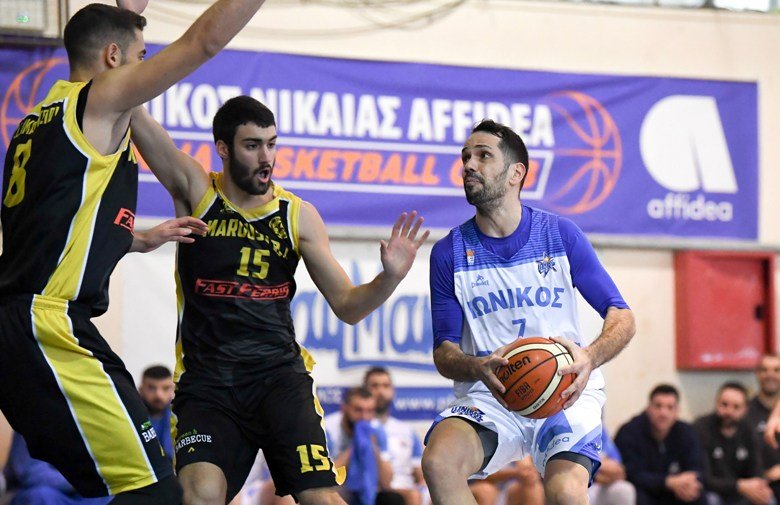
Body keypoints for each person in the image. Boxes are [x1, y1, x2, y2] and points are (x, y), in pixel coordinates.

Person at [0, 0, 272, 501]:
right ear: (112, 57)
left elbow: (48, 226)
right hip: (49, 327)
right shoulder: (98, 100)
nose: (146, 68)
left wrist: (136, 239)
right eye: (142, 56)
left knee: (129, 487)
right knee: (154, 490)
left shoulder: (37, 121)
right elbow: (203, 42)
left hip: (21, 325)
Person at [129, 95, 429, 505]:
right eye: (252, 145)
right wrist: (120, 68)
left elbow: (348, 306)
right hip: (209, 385)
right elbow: (133, 110)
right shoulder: (198, 191)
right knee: (199, 495)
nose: (266, 157)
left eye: (271, 144)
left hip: (279, 380)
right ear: (223, 149)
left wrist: (390, 276)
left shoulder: (297, 214)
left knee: (320, 498)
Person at [421, 119, 636, 505]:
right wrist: (477, 366)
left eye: (483, 156)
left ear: (516, 173)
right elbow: (444, 353)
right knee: (439, 463)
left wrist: (589, 357)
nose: (469, 165)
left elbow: (622, 316)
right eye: (465, 157)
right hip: (493, 394)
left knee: (565, 493)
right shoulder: (448, 252)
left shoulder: (561, 234)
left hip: (563, 388)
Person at [615, 384, 706, 505]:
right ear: (648, 408)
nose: (663, 413)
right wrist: (667, 482)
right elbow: (630, 473)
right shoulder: (629, 432)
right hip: (644, 491)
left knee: (697, 495)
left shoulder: (686, 432)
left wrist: (688, 484)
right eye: (658, 406)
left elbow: (697, 467)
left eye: (670, 407)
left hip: (676, 491)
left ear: (677, 411)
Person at [694, 382, 773, 505]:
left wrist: (758, 487)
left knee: (768, 498)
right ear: (716, 403)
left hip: (743, 493)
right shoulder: (701, 428)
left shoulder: (749, 430)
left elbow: (757, 470)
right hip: (714, 492)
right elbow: (703, 477)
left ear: (745, 409)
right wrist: (738, 485)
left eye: (736, 407)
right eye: (724, 404)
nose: (729, 411)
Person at [325, 387, 401, 505]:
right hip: (336, 489)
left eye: (370, 411)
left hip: (368, 489)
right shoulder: (328, 430)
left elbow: (386, 482)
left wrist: (373, 447)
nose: (364, 417)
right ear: (344, 408)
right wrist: (355, 446)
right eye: (358, 410)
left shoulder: (376, 430)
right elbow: (328, 478)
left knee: (392, 499)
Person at [363, 367, 426, 505]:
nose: (381, 392)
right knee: (412, 496)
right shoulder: (359, 427)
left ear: (393, 391)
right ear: (365, 391)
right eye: (375, 386)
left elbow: (420, 473)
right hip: (379, 491)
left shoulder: (407, 431)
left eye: (386, 386)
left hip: (408, 488)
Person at [3, 431, 111, 505]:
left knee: (110, 496)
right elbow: (29, 474)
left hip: (86, 493)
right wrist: (84, 480)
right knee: (40, 496)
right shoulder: (35, 415)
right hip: (49, 492)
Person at [747, 355, 780, 499]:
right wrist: (764, 475)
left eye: (776, 370)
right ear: (757, 374)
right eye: (764, 370)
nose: (770, 375)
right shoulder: (745, 411)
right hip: (760, 484)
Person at [587, 426, 635, 505]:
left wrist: (606, 471)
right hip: (582, 483)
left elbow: (618, 467)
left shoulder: (597, 425)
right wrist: (598, 468)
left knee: (624, 490)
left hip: (601, 483)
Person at [468, 457, 544, 505]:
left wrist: (528, 474)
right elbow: (480, 477)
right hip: (491, 487)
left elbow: (531, 473)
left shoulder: (523, 444)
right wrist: (514, 473)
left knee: (534, 488)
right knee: (485, 491)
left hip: (512, 492)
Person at [138, 365, 175, 461]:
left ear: (173, 390)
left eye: (165, 388)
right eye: (151, 388)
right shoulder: (129, 416)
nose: (159, 395)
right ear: (141, 389)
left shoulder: (179, 417)